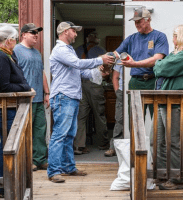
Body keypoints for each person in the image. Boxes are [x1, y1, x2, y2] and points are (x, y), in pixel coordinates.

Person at [48, 21, 114, 183]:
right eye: (74, 31)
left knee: (69, 135)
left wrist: (98, 72)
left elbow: (80, 72)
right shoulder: (61, 50)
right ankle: (54, 171)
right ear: (64, 32)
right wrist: (100, 60)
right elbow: (77, 64)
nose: (76, 34)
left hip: (70, 96)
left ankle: (69, 168)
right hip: (64, 96)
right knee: (59, 135)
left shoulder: (69, 50)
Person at [153, 24, 183, 190]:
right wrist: (160, 65)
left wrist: (160, 64)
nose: (172, 39)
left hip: (175, 101)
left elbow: (161, 67)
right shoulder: (177, 54)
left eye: (175, 36)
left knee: (173, 141)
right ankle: (162, 175)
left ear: (182, 36)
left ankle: (177, 179)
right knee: (160, 141)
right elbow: (159, 66)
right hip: (164, 99)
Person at [0, 24, 31, 198]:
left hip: (9, 108)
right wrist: (24, 87)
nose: (16, 41)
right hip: (2, 109)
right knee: (7, 146)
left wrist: (24, 86)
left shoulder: (8, 56)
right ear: (8, 40)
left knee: (8, 145)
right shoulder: (0, 57)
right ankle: (3, 187)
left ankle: (5, 186)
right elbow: (2, 86)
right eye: (15, 38)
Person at [114, 7, 169, 119]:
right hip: (136, 82)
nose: (136, 24)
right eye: (135, 22)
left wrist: (134, 64)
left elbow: (156, 59)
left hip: (154, 81)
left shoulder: (159, 36)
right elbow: (115, 54)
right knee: (135, 118)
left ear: (148, 19)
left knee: (158, 119)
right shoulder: (131, 39)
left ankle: (157, 138)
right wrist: (103, 61)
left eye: (139, 21)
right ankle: (136, 138)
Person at [14, 23, 50, 171]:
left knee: (40, 130)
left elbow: (42, 73)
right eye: (32, 32)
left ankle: (40, 159)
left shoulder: (36, 52)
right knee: (25, 132)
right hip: (24, 99)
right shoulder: (16, 51)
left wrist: (47, 93)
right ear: (23, 34)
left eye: (37, 33)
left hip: (39, 98)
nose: (36, 35)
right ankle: (27, 161)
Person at [74, 31, 109, 155]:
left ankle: (79, 145)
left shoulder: (77, 49)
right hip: (95, 84)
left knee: (81, 116)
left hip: (80, 84)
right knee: (99, 114)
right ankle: (103, 143)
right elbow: (106, 67)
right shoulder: (101, 50)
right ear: (97, 40)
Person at [104, 61, 123, 157]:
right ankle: (113, 147)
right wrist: (117, 91)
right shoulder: (120, 60)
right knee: (119, 120)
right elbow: (115, 77)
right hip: (122, 92)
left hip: (137, 90)